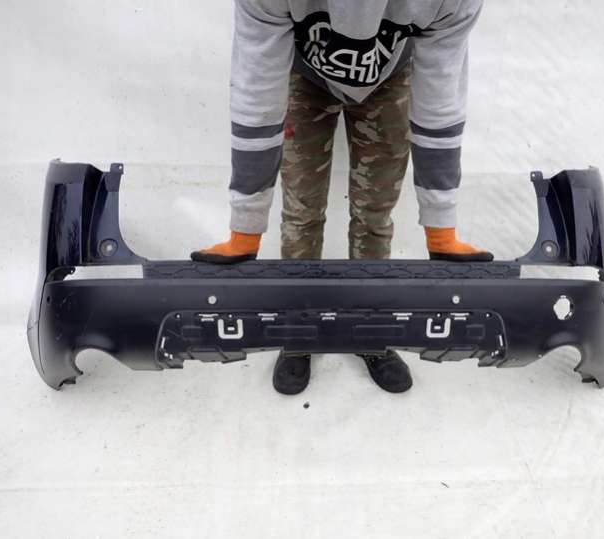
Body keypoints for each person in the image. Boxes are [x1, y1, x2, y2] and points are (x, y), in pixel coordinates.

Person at [192, 0, 493, 395]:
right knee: (301, 212)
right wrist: (245, 229)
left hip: (390, 79)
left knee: (374, 214)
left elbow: (440, 97)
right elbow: (256, 93)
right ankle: (298, 329)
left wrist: (441, 231)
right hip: (303, 74)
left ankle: (370, 327)